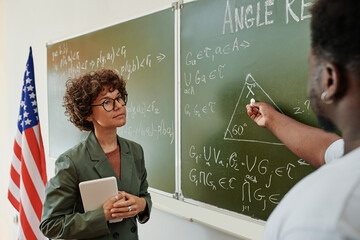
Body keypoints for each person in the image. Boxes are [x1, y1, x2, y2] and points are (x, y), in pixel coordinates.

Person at [246, 0, 360, 239]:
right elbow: (328, 149)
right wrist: (273, 119)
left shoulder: (320, 220)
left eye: (311, 66)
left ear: (330, 79)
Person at [40, 69, 151, 240]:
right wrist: (101, 215)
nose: (119, 105)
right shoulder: (71, 161)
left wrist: (143, 204)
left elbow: (144, 195)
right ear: (88, 114)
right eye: (107, 102)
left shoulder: (135, 151)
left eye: (119, 97)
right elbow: (51, 225)